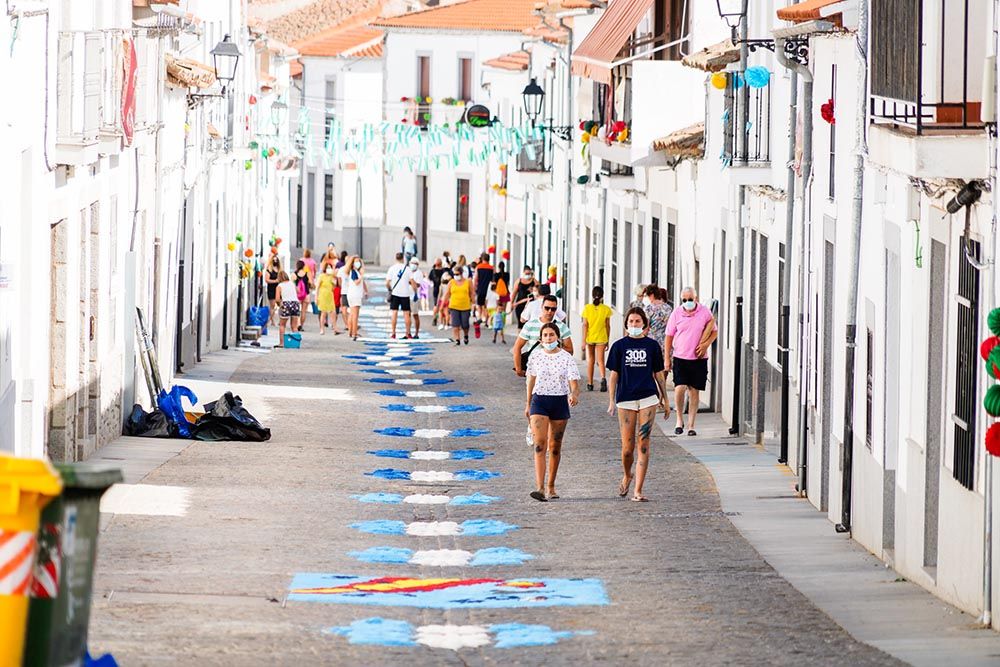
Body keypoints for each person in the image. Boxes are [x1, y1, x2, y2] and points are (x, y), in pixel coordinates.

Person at [607, 307, 670, 502]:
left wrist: (666, 399)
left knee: (643, 444)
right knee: (628, 448)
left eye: (637, 321)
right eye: (631, 321)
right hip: (625, 398)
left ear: (645, 325)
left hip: (648, 398)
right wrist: (611, 400)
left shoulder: (652, 346)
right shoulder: (619, 346)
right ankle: (627, 474)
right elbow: (614, 376)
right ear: (626, 324)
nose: (634, 325)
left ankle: (638, 490)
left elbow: (659, 374)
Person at [525, 322, 580, 501]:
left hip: (559, 401)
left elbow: (573, 381)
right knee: (539, 444)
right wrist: (528, 404)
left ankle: (551, 485)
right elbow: (530, 381)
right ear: (541, 339)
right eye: (546, 335)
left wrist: (573, 394)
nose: (549, 338)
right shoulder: (535, 356)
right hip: (539, 400)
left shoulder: (566, 357)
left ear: (558, 337)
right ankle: (540, 487)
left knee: (554, 446)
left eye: (552, 335)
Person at [665, 287, 718, 436]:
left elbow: (714, 330)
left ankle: (691, 425)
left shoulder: (704, 312)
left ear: (696, 298)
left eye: (690, 299)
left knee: (694, 391)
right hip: (680, 357)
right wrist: (667, 359)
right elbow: (669, 336)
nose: (687, 302)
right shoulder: (676, 313)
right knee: (679, 388)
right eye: (684, 300)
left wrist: (706, 344)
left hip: (699, 358)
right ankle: (679, 420)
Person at [513, 294, 574, 376]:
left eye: (553, 309)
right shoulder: (530, 325)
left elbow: (570, 351)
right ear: (542, 307)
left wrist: (554, 346)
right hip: (534, 370)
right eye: (547, 308)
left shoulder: (562, 327)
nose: (549, 311)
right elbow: (517, 347)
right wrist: (518, 369)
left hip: (556, 370)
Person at [581, 286, 613, 392]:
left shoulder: (587, 308)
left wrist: (583, 340)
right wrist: (607, 339)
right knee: (601, 360)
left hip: (590, 337)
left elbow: (585, 325)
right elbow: (607, 325)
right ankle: (603, 378)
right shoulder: (606, 309)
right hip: (602, 337)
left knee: (591, 360)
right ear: (602, 296)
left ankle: (590, 383)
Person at [385, 252, 416, 339]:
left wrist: (390, 288)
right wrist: (415, 291)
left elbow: (387, 282)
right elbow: (412, 282)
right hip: (405, 293)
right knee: (406, 313)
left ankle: (393, 333)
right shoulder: (407, 269)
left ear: (396, 258)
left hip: (395, 293)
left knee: (394, 313)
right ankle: (408, 333)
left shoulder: (392, 268)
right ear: (403, 258)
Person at [444, 265, 474, 345]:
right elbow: (447, 293)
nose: (456, 276)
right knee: (455, 324)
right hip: (454, 306)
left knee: (465, 324)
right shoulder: (451, 282)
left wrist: (474, 303)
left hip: (465, 306)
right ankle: (457, 339)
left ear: (461, 273)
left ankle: (466, 335)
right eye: (455, 274)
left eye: (457, 274)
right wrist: (443, 303)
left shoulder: (468, 282)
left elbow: (472, 293)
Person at [643, 284, 674, 354]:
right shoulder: (668, 308)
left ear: (652, 295)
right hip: (666, 341)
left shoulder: (648, 309)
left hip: (652, 340)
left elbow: (646, 328)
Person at [274, 270, 300, 348]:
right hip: (295, 303)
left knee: (282, 325)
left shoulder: (279, 286)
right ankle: (296, 342)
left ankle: (282, 343)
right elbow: (298, 291)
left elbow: (277, 299)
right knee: (294, 326)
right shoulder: (292, 284)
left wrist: (279, 305)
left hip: (286, 304)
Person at [345, 256, 367, 340]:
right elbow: (357, 282)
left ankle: (351, 331)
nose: (358, 263)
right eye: (356, 262)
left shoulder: (355, 271)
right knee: (355, 315)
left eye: (359, 262)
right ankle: (354, 332)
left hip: (353, 294)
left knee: (351, 314)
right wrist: (362, 276)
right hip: (355, 295)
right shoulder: (353, 272)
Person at [316, 265, 337, 335]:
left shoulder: (332, 277)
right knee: (323, 313)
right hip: (322, 296)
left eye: (330, 268)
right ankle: (322, 329)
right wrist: (316, 297)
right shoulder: (321, 276)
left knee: (333, 312)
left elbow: (333, 288)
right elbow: (317, 287)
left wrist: (334, 282)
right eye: (328, 268)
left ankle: (335, 328)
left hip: (330, 296)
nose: (329, 269)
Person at [474, 253, 495, 324]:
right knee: (486, 305)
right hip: (489, 289)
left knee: (479, 304)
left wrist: (474, 288)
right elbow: (493, 279)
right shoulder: (492, 268)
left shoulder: (478, 267)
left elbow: (476, 278)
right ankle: (486, 319)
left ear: (482, 259)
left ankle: (480, 317)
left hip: (480, 288)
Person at [408, 257, 425, 339]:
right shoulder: (407, 271)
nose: (413, 265)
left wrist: (410, 281)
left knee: (415, 315)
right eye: (412, 263)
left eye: (415, 263)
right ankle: (408, 332)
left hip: (414, 296)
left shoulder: (419, 273)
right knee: (407, 315)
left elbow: (418, 285)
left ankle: (416, 333)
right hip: (406, 295)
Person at [294, 260, 312, 332]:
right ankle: (301, 325)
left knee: (297, 310)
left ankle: (298, 324)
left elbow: (293, 284)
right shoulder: (307, 273)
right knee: (304, 311)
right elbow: (311, 282)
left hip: (297, 294)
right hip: (306, 294)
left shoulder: (294, 274)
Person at [265, 256, 281, 326]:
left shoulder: (279, 269)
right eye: (274, 260)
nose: (275, 261)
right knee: (273, 306)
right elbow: (266, 280)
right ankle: (272, 321)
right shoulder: (269, 269)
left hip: (279, 289)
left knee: (281, 305)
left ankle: (281, 320)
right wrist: (275, 281)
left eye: (276, 260)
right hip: (271, 289)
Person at [428, 258, 445, 325]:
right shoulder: (444, 271)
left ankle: (435, 318)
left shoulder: (432, 271)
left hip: (435, 289)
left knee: (436, 305)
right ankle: (443, 320)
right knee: (444, 305)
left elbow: (429, 279)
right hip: (443, 289)